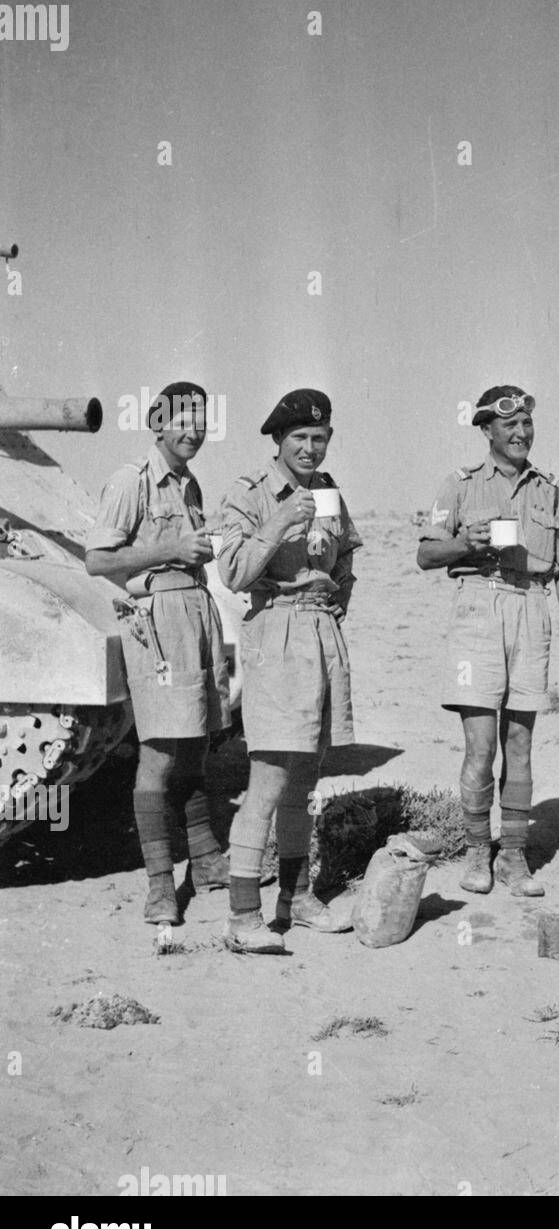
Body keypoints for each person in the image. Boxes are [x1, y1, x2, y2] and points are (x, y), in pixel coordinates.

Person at [417, 385, 559, 898]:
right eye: (508, 425)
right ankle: (475, 853)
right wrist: (461, 544)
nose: (520, 433)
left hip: (532, 609)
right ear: (486, 429)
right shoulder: (459, 485)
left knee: (520, 742)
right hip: (478, 606)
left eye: (527, 425)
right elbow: (425, 554)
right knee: (480, 744)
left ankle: (513, 855)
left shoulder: (552, 488)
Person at [215, 389, 361, 953]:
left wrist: (339, 594)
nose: (309, 447)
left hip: (321, 635)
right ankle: (242, 916)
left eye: (318, 438)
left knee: (305, 778)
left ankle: (296, 898)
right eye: (298, 437)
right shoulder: (250, 494)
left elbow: (345, 554)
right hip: (274, 633)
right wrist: (279, 519)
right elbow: (232, 571)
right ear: (278, 439)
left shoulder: (327, 490)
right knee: (269, 780)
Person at [86, 382, 231, 925]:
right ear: (156, 422)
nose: (193, 431)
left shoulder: (189, 484)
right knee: (161, 753)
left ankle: (208, 859)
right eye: (183, 420)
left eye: (202, 420)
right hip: (157, 622)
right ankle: (159, 886)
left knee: (196, 743)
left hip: (196, 615)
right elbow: (97, 561)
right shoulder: (132, 481)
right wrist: (171, 548)